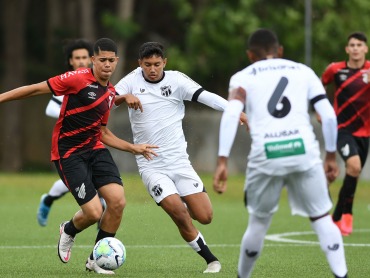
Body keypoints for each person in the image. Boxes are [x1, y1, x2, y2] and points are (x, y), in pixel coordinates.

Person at [0, 38, 158, 274]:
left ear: (116, 61)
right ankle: (68, 230)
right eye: (102, 60)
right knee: (94, 212)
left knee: (117, 202)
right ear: (93, 60)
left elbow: (103, 132)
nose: (107, 64)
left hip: (95, 149)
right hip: (68, 153)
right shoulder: (77, 78)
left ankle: (95, 261)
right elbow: (35, 88)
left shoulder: (109, 92)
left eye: (111, 60)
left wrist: (133, 147)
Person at [213, 28, 347, 278]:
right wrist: (330, 155)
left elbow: (232, 114)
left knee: (258, 223)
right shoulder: (303, 71)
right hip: (304, 152)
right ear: (280, 50)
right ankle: (342, 275)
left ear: (250, 55)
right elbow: (328, 115)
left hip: (266, 156)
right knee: (321, 218)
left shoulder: (243, 76)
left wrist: (222, 160)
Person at [113, 42, 248, 273]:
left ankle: (182, 197)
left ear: (164, 62)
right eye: (147, 65)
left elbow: (207, 97)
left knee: (204, 217)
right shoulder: (131, 81)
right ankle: (211, 261)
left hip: (179, 162)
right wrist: (124, 97)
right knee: (180, 215)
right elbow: (107, 99)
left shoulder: (176, 80)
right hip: (151, 164)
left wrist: (233, 110)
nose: (152, 69)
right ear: (140, 64)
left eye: (157, 64)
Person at [38, 39, 107, 228]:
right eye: (77, 58)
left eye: (85, 57)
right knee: (82, 183)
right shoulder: (67, 81)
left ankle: (101, 224)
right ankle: (50, 200)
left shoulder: (98, 81)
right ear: (70, 61)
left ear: (91, 59)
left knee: (93, 183)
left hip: (93, 143)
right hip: (69, 145)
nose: (81, 61)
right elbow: (50, 109)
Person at [320, 31, 370, 236]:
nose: (356, 48)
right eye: (352, 45)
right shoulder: (335, 69)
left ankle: (336, 217)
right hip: (341, 130)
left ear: (365, 49)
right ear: (347, 49)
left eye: (360, 44)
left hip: (365, 133)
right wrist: (320, 110)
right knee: (354, 166)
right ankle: (347, 215)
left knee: (353, 173)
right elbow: (318, 86)